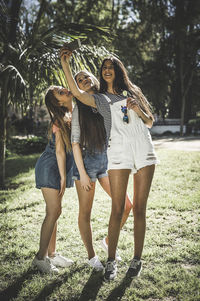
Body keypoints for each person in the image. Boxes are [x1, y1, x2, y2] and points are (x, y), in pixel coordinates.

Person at [60, 50, 159, 281]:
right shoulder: (100, 99)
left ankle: (137, 260)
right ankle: (111, 261)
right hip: (118, 151)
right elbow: (76, 92)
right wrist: (65, 63)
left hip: (143, 147)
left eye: (110, 66)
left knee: (140, 209)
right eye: (103, 67)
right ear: (101, 73)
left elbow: (150, 121)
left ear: (117, 70)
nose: (106, 69)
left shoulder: (133, 91)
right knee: (117, 208)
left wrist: (138, 109)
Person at [71, 69, 132, 271]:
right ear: (77, 86)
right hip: (86, 163)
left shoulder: (106, 100)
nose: (83, 80)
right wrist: (82, 173)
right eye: (79, 80)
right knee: (85, 212)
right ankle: (91, 256)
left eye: (86, 76)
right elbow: (75, 142)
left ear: (93, 78)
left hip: (107, 161)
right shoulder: (80, 106)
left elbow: (123, 125)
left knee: (126, 205)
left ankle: (107, 241)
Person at [32, 85, 75, 274]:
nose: (64, 90)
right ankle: (40, 258)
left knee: (55, 212)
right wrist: (63, 178)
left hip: (56, 167)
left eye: (62, 88)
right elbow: (59, 151)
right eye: (60, 92)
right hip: (50, 167)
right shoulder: (59, 119)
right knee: (53, 211)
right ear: (57, 102)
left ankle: (52, 254)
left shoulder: (68, 115)